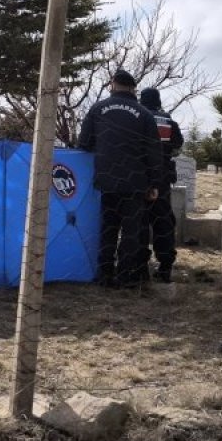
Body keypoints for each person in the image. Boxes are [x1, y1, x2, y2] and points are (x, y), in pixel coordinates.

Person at [78, 69, 162, 288]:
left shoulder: (97, 109)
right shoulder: (144, 114)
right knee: (131, 232)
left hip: (107, 181)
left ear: (112, 84)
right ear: (133, 88)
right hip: (135, 183)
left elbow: (84, 143)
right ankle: (126, 276)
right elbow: (154, 151)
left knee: (108, 228)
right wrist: (154, 183)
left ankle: (104, 275)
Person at [138, 87, 184, 283]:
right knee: (163, 222)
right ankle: (165, 266)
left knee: (139, 222)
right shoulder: (167, 120)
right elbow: (177, 146)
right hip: (162, 178)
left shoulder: (137, 116)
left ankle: (140, 266)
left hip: (138, 177)